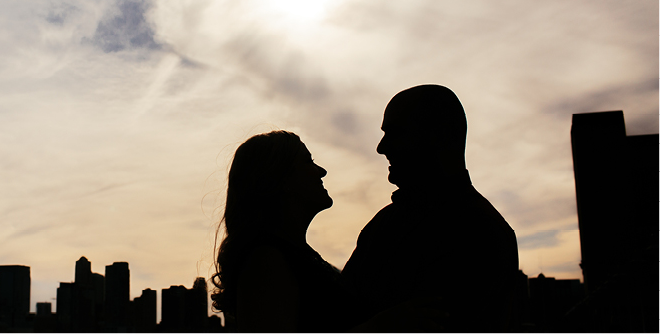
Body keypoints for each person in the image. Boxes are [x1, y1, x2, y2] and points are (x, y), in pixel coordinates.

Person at [341, 84, 519, 332]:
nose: (381, 148)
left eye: (395, 133)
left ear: (436, 135)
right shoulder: (382, 224)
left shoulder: (480, 232)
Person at [211, 131, 344, 332]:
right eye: (308, 162)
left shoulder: (286, 255)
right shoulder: (266, 261)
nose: (321, 171)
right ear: (281, 179)